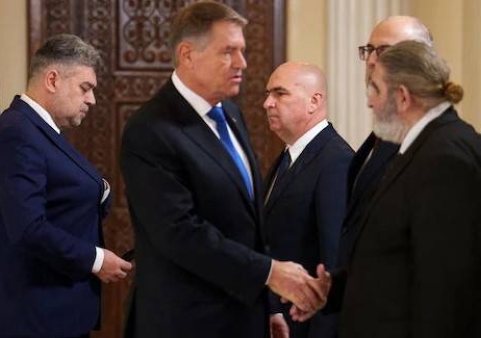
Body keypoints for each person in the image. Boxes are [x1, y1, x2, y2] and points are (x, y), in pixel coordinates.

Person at [119, 2, 329, 338]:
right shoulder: (150, 130)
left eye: (242, 51)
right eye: (228, 52)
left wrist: (267, 308)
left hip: (242, 317)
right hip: (186, 324)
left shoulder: (231, 114)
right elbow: (181, 233)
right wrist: (270, 273)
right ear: (188, 55)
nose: (242, 63)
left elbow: (247, 226)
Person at [0, 34, 132, 338]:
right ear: (53, 79)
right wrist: (96, 260)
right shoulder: (18, 135)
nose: (92, 100)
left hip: (51, 316)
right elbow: (29, 229)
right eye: (85, 88)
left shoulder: (38, 132)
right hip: (29, 319)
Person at [327, 16, 434, 312]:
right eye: (369, 50)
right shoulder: (380, 138)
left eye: (384, 51)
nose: (372, 61)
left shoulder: (434, 147)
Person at [263, 62, 353, 338]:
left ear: (314, 101)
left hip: (305, 326)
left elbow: (332, 262)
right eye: (268, 94)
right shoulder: (288, 156)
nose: (267, 103)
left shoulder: (336, 160)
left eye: (280, 94)